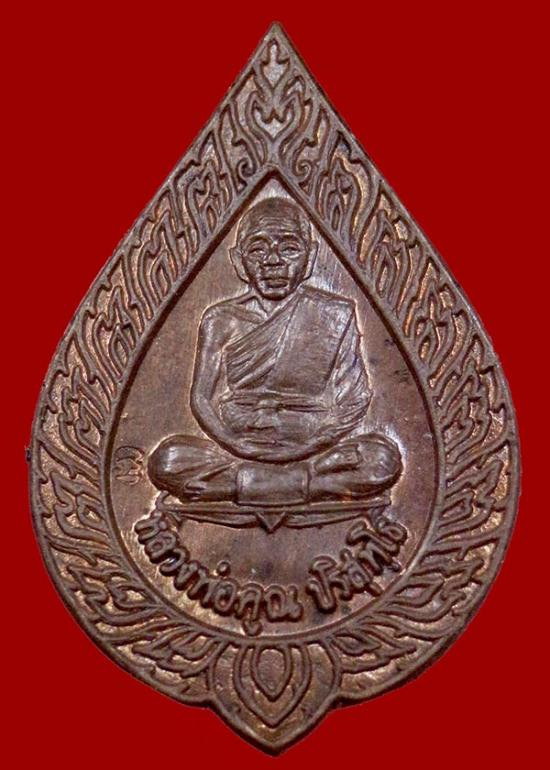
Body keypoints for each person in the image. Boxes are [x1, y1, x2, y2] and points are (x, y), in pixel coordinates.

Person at [149, 197, 401, 506]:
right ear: (238, 260)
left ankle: (236, 487)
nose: (273, 261)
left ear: (310, 257)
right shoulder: (221, 319)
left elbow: (354, 399)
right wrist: (236, 444)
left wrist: (309, 445)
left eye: (289, 249)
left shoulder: (334, 313)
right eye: (258, 250)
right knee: (167, 460)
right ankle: (313, 485)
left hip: (310, 439)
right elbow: (202, 398)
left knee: (381, 458)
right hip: (240, 438)